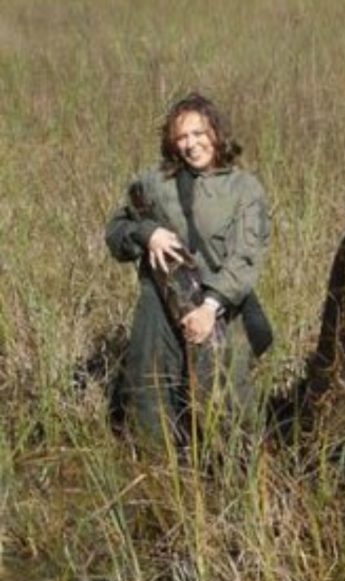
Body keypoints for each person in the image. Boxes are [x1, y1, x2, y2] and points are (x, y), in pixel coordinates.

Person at [106, 93, 271, 449]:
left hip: (221, 305)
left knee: (229, 406)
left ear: (216, 131)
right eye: (182, 137)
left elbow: (246, 257)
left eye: (199, 133)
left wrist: (211, 307)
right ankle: (159, 477)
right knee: (151, 394)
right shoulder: (155, 182)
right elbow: (117, 232)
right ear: (171, 142)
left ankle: (233, 483)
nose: (191, 144)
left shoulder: (244, 188)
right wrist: (146, 234)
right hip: (158, 303)